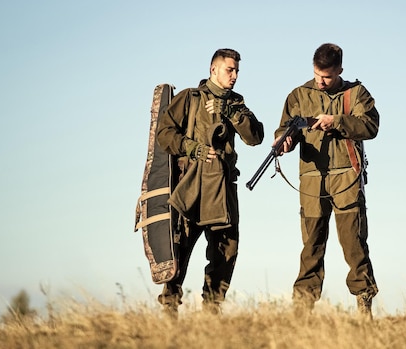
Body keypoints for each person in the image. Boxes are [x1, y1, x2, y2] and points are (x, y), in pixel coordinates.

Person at [156, 48, 264, 316]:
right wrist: (192, 148)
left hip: (224, 189)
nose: (235, 75)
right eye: (230, 69)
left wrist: (230, 112)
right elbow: (164, 134)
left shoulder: (237, 104)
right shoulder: (190, 98)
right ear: (213, 69)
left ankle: (211, 312)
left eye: (237, 70)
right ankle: (169, 311)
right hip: (192, 186)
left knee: (226, 251)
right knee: (179, 251)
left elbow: (256, 136)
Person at [274, 43, 380, 317]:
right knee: (311, 246)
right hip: (311, 181)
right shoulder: (299, 95)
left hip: (346, 177)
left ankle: (364, 304)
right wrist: (284, 141)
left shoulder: (356, 93)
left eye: (327, 77)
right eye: (317, 75)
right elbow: (285, 129)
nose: (321, 82)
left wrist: (337, 121)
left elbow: (370, 126)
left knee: (354, 243)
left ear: (340, 71)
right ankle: (302, 309)